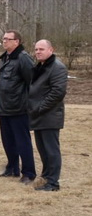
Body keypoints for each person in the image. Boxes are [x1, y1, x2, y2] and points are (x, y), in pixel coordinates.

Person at [0, 29, 36, 184]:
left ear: (16, 41)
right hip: (3, 107)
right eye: (3, 38)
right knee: (8, 140)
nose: (4, 41)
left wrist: (28, 104)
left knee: (22, 141)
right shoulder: (5, 58)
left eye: (7, 39)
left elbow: (32, 83)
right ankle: (12, 168)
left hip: (18, 108)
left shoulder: (23, 58)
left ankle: (29, 173)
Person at [29, 40, 68, 192]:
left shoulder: (57, 67)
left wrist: (40, 108)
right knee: (42, 149)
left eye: (41, 49)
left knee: (51, 150)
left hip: (49, 116)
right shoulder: (40, 66)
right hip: (38, 115)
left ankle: (53, 183)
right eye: (36, 49)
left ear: (51, 49)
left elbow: (58, 92)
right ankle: (45, 177)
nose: (38, 52)